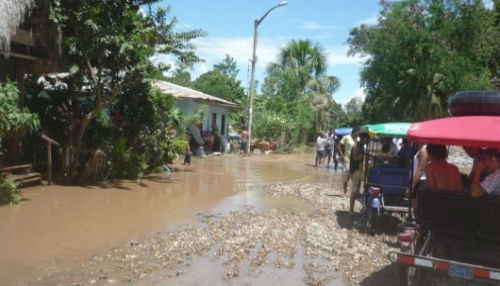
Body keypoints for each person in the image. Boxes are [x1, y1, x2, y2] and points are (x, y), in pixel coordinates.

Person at [348, 132, 367, 215]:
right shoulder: (356, 146)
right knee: (355, 190)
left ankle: (354, 209)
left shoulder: (362, 146)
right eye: (367, 139)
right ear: (363, 138)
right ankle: (351, 210)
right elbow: (355, 157)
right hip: (354, 169)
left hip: (359, 169)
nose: (368, 141)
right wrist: (363, 156)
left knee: (358, 189)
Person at [338, 127, 360, 195]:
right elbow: (339, 145)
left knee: (355, 177)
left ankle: (354, 192)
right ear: (354, 132)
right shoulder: (346, 137)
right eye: (358, 133)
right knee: (345, 177)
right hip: (347, 160)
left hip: (356, 161)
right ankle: (344, 191)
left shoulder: (358, 139)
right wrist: (342, 155)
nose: (358, 135)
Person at [409, 144, 428, 216]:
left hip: (420, 182)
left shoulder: (424, 150)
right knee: (415, 210)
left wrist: (411, 186)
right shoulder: (421, 149)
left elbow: (420, 170)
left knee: (417, 211)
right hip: (419, 181)